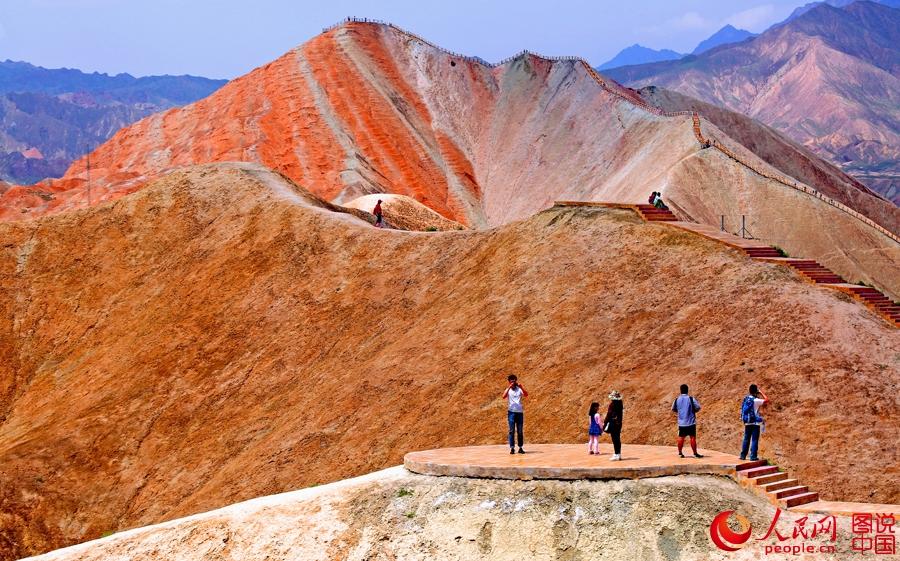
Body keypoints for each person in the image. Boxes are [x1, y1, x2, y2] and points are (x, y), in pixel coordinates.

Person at [672, 384, 704, 458]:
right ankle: (695, 453)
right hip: (691, 422)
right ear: (687, 390)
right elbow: (698, 407)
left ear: (680, 390)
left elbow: (673, 409)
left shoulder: (677, 399)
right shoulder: (691, 399)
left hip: (681, 423)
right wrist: (693, 411)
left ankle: (680, 453)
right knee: (692, 438)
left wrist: (680, 412)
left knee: (681, 438)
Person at [739, 384, 769, 461]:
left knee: (746, 439)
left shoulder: (746, 399)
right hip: (755, 423)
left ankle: (743, 455)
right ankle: (753, 457)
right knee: (754, 440)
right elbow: (766, 400)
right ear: (756, 391)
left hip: (747, 422)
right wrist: (761, 392)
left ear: (749, 391)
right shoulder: (756, 400)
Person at [502, 374, 528, 454]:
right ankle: (512, 448)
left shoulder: (519, 389)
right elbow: (503, 396)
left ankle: (520, 447)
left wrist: (521, 387)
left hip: (519, 412)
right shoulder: (508, 389)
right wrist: (509, 387)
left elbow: (526, 395)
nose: (513, 382)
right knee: (511, 431)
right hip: (511, 412)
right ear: (509, 382)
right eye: (511, 381)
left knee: (520, 431)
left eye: (514, 381)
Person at [604, 390, 624, 461]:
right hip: (619, 423)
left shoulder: (612, 404)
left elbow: (609, 414)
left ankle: (616, 454)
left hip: (613, 423)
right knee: (617, 439)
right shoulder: (620, 404)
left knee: (614, 439)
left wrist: (605, 422)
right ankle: (618, 454)